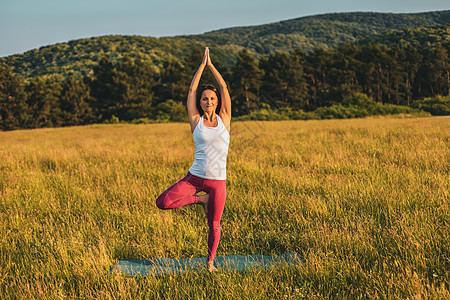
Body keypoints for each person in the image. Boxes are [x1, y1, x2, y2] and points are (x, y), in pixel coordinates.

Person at [156, 47, 231, 272]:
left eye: (212, 98)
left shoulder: (225, 119)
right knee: (163, 203)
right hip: (194, 179)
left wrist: (211, 66)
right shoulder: (195, 120)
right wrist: (201, 65)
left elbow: (225, 87)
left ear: (217, 102)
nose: (208, 101)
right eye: (205, 99)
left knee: (214, 225)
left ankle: (210, 262)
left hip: (218, 182)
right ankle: (202, 201)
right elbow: (191, 89)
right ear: (200, 102)